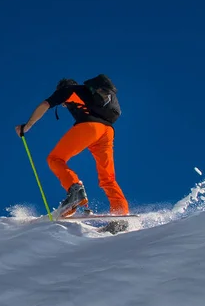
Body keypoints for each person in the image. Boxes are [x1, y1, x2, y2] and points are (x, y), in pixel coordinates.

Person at [15, 75, 129, 218]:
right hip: (107, 132)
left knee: (55, 159)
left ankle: (75, 190)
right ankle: (121, 212)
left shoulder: (68, 90)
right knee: (108, 177)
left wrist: (27, 126)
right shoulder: (89, 94)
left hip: (90, 127)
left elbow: (44, 105)